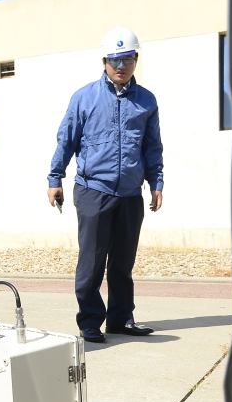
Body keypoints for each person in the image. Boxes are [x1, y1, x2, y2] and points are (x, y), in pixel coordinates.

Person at [47, 27, 164, 343]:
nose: (121, 66)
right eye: (115, 60)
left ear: (135, 59)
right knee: (92, 261)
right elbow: (66, 140)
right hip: (93, 191)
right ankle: (89, 321)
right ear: (104, 61)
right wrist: (54, 178)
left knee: (123, 264)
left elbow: (152, 147)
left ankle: (121, 319)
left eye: (127, 59)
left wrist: (156, 182)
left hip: (129, 194)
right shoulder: (84, 98)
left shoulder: (147, 102)